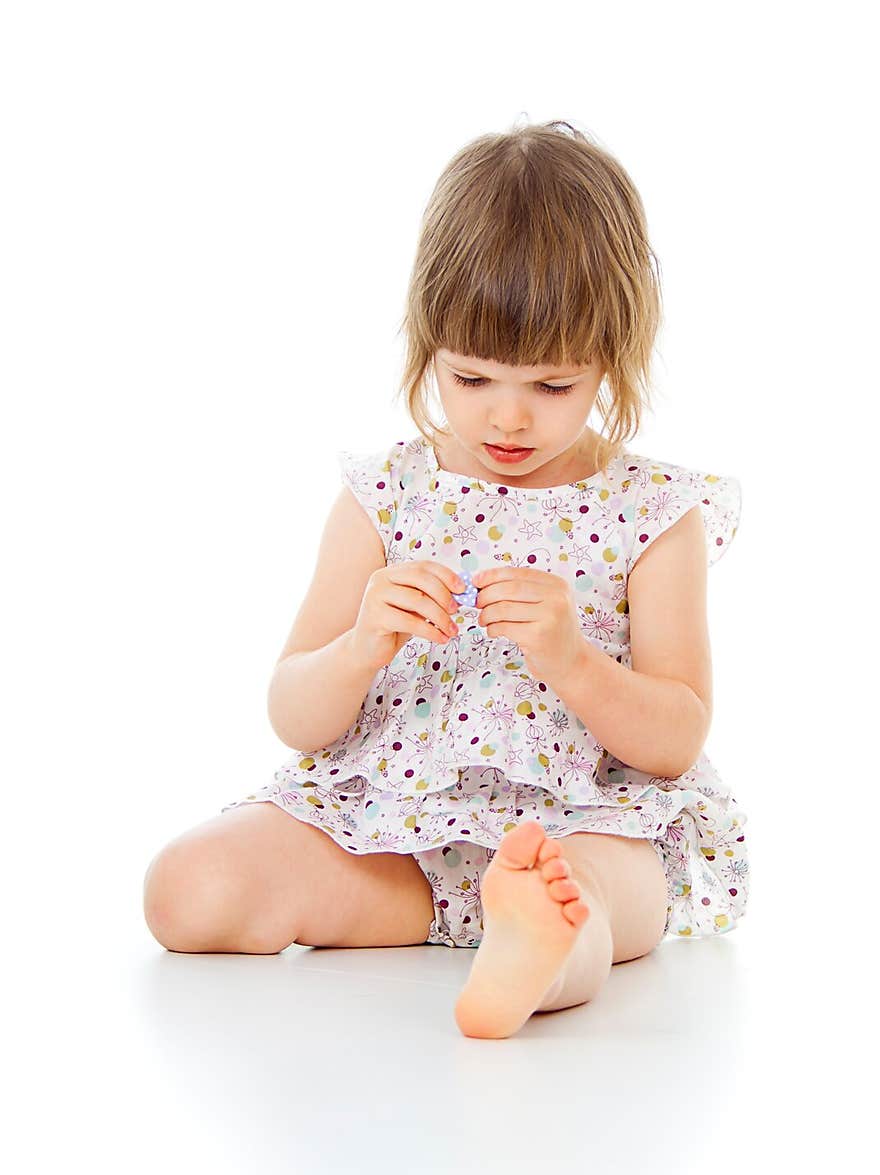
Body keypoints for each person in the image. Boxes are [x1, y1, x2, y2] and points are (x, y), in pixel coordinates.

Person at [143, 118, 749, 1041]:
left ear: (614, 361)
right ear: (427, 343)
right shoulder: (386, 496)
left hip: (585, 822)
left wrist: (574, 661)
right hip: (399, 843)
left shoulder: (653, 515)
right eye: (471, 378)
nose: (508, 417)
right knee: (190, 890)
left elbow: (674, 740)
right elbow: (295, 713)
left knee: (592, 889)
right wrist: (359, 648)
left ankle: (540, 942)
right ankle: (496, 923)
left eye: (553, 386)